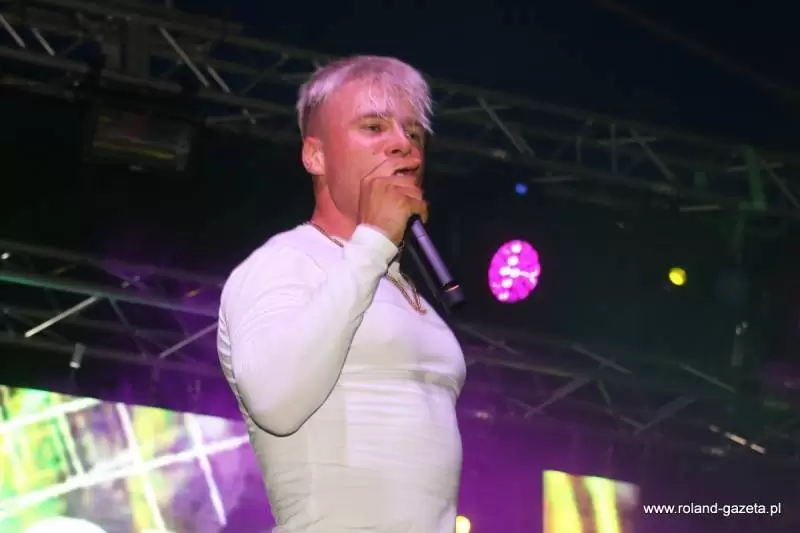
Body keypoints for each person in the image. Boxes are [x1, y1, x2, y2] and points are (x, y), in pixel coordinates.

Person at [217, 56, 467, 532]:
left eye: (414, 134)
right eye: (374, 127)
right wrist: (373, 242)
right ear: (315, 156)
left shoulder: (403, 288)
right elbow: (274, 401)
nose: (403, 145)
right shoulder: (287, 261)